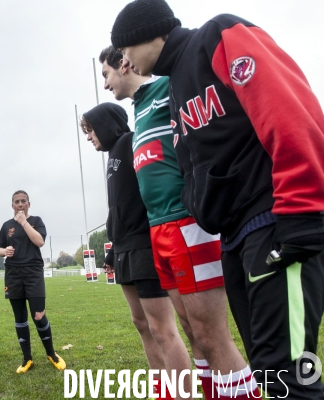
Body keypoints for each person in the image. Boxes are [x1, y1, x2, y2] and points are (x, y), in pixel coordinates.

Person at [111, 1, 324, 398]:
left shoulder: (217, 36)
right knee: (266, 372)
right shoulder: (176, 83)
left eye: (124, 50)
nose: (125, 62)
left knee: (289, 375)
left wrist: (300, 212)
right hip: (236, 237)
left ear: (147, 33)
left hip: (277, 223)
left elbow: (288, 110)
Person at [100, 43, 259, 400]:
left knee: (210, 336)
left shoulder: (167, 88)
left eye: (106, 75)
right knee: (191, 332)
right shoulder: (140, 110)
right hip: (160, 230)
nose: (106, 84)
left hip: (187, 223)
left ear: (124, 64)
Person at [80, 103, 189, 398]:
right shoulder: (111, 155)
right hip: (124, 247)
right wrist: (113, 249)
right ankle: (161, 389)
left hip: (144, 244)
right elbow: (119, 204)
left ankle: (182, 394)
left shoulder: (130, 142)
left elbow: (148, 193)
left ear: (106, 123)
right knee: (141, 323)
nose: (89, 137)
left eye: (90, 130)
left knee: (162, 328)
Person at [0, 191, 67, 374]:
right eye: (17, 202)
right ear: (12, 205)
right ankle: (27, 359)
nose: (20, 204)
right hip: (13, 274)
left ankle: (51, 353)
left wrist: (23, 222)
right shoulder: (6, 226)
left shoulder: (36, 221)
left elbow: (40, 241)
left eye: (23, 201)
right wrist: (5, 251)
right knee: (20, 318)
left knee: (38, 315)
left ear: (29, 204)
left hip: (33, 273)